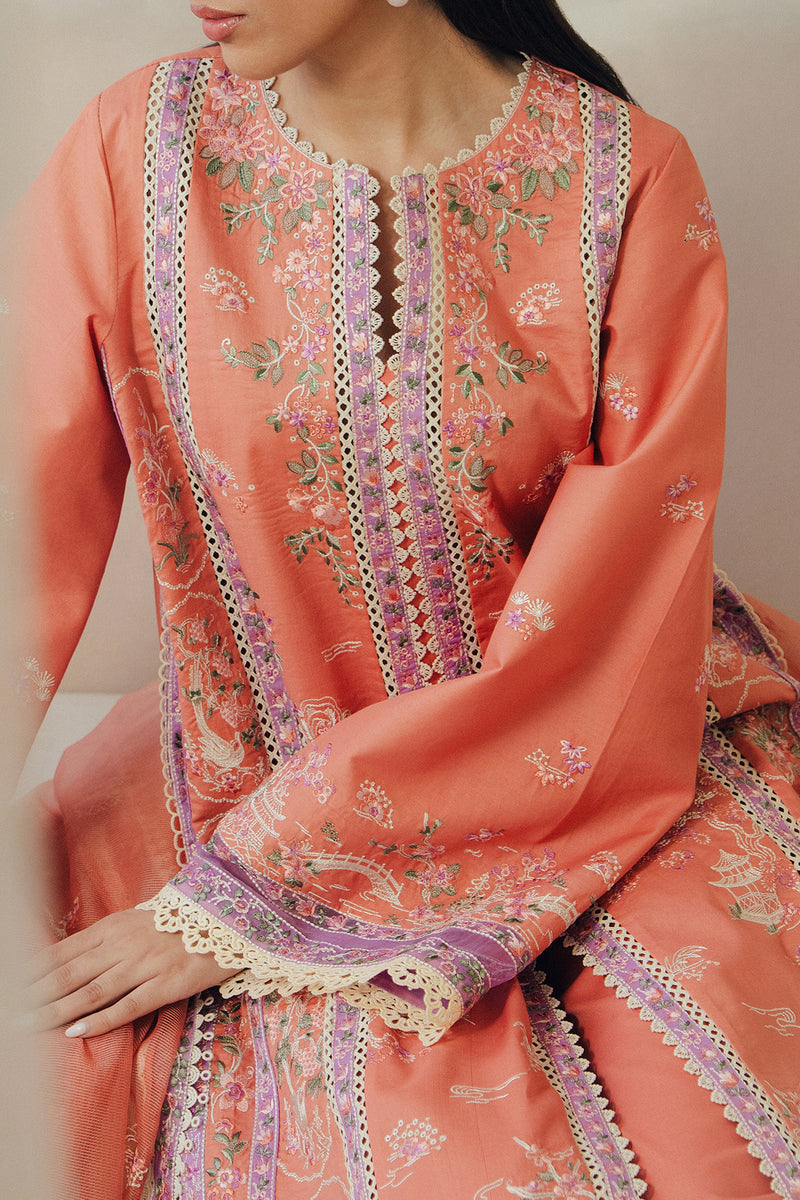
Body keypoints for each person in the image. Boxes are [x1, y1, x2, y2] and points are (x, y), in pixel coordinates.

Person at [12, 1, 800, 1197]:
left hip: (606, 748)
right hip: (246, 768)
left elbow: (622, 598)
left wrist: (256, 892)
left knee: (709, 1130)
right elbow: (21, 516)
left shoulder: (627, 177)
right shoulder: (137, 149)